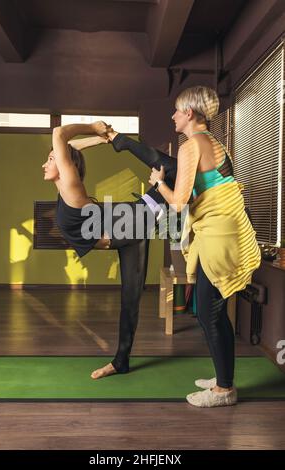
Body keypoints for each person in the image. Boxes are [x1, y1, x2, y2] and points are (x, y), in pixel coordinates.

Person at [148, 86, 261, 407]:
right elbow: (213, 189)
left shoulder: (190, 147)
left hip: (217, 235)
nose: (172, 116)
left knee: (209, 315)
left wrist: (159, 184)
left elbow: (181, 203)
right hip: (226, 229)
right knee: (213, 313)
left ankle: (225, 390)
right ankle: (223, 377)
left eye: (176, 110)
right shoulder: (214, 142)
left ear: (189, 114)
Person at [42, 121, 179, 379]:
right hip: (128, 232)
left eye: (51, 159)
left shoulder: (70, 183)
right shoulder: (62, 188)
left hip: (130, 223)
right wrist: (102, 139)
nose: (45, 163)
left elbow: (60, 135)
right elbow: (69, 146)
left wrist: (94, 128)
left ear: (63, 165)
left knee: (173, 170)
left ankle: (124, 142)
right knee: (130, 302)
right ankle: (121, 361)